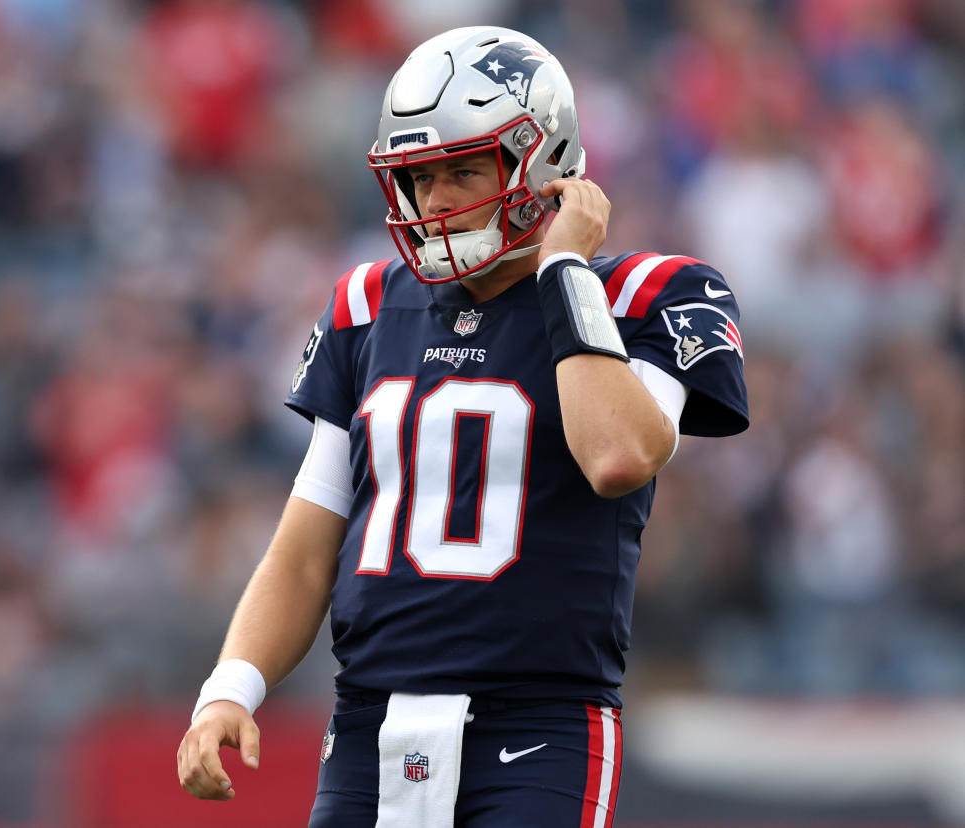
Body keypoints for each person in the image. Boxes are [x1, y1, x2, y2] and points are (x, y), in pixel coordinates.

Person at [177, 25, 748, 826]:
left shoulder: (646, 291)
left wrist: (565, 272)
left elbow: (620, 455)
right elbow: (307, 547)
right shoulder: (368, 306)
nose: (437, 202)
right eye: (421, 177)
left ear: (542, 162)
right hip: (369, 716)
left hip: (540, 724)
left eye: (464, 170)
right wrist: (230, 687)